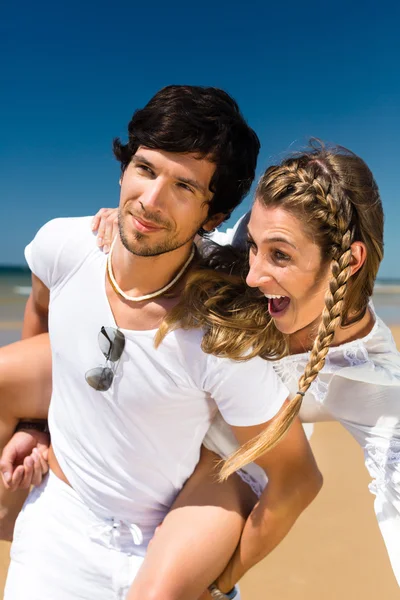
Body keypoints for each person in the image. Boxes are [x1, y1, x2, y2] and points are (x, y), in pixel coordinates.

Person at [3, 139, 399, 593]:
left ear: (348, 263)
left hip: (227, 455)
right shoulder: (238, 251)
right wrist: (135, 231)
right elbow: (174, 233)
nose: (251, 276)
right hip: (160, 389)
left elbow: (311, 481)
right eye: (253, 245)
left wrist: (219, 583)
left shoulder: (377, 380)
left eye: (281, 255)